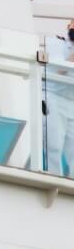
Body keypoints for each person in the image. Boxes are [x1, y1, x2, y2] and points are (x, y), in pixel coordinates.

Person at [45, 20, 74, 176]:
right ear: (70, 25)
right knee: (54, 143)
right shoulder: (55, 42)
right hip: (53, 97)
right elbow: (58, 69)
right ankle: (53, 178)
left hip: (72, 102)